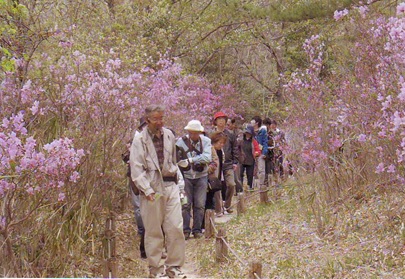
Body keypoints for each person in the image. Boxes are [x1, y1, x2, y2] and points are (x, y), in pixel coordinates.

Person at [129, 105, 186, 278]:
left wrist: (179, 183)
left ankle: (174, 266)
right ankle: (156, 269)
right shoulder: (139, 140)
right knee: (154, 231)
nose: (160, 122)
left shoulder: (169, 135)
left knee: (176, 227)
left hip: (170, 185)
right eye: (156, 119)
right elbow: (136, 169)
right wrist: (146, 189)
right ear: (148, 120)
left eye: (161, 118)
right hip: (152, 188)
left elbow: (174, 161)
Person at [176, 120, 212, 240]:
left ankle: (197, 230)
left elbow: (207, 157)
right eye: (191, 132)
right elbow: (177, 158)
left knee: (200, 204)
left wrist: (191, 160)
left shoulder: (206, 141)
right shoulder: (181, 143)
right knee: (185, 204)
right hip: (186, 177)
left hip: (201, 176)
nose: (194, 135)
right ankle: (185, 230)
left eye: (196, 133)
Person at [122, 116, 147, 259]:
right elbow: (126, 158)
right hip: (135, 180)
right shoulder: (133, 142)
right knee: (138, 209)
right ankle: (141, 232)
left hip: (150, 181)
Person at [211, 112, 239, 214]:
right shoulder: (211, 134)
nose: (221, 121)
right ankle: (218, 208)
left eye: (223, 119)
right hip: (215, 164)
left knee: (231, 184)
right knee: (216, 186)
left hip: (228, 163)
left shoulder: (230, 135)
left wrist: (235, 162)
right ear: (215, 121)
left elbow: (235, 148)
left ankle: (227, 204)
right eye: (219, 119)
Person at [208, 132, 228, 216]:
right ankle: (217, 210)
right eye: (220, 143)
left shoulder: (221, 151)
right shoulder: (211, 149)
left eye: (223, 143)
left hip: (219, 174)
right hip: (212, 175)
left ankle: (219, 209)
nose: (221, 145)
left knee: (218, 191)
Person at [237, 125, 260, 191]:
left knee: (250, 175)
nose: (248, 134)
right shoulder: (240, 140)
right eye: (247, 133)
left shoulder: (254, 141)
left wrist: (256, 153)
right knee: (240, 174)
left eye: (249, 133)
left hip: (250, 160)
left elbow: (258, 150)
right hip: (242, 160)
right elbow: (236, 148)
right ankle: (240, 189)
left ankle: (250, 188)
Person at [251, 116, 268, 190]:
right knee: (253, 170)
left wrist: (264, 152)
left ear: (257, 123)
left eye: (253, 121)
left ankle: (261, 185)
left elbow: (265, 142)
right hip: (252, 153)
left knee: (261, 170)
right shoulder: (250, 131)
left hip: (260, 153)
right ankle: (253, 185)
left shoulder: (263, 131)